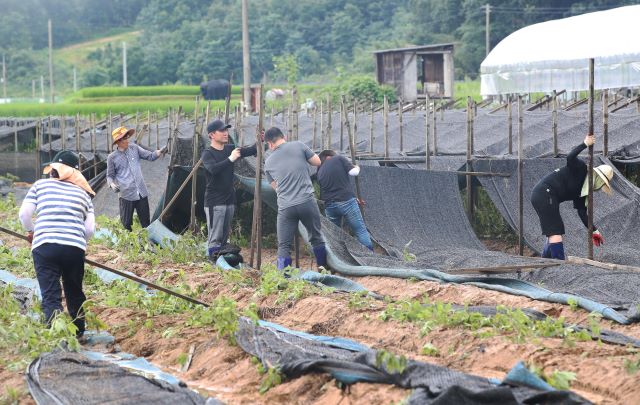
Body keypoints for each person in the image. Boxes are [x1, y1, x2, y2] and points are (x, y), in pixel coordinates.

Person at [19, 150, 95, 337]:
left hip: (45, 246)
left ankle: (56, 333)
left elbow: (24, 214)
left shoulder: (40, 185)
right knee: (74, 290)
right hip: (74, 249)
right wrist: (77, 243)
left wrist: (32, 232)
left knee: (51, 293)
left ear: (53, 170)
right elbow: (90, 230)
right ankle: (78, 331)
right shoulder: (84, 195)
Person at [530, 135, 614, 259]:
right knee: (555, 230)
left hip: (546, 196)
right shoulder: (580, 168)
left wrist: (594, 231)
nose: (599, 187)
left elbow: (582, 213)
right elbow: (570, 157)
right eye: (601, 183)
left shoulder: (583, 191)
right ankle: (559, 264)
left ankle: (545, 263)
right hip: (544, 193)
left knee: (554, 230)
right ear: (597, 178)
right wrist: (585, 144)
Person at [263, 127, 327, 270]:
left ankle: (283, 276)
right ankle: (323, 269)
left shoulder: (268, 162)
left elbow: (276, 187)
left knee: (284, 244)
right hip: (306, 202)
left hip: (286, 207)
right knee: (316, 237)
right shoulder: (299, 145)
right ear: (283, 136)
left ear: (270, 144)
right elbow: (317, 162)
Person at [202, 119, 257, 259]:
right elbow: (213, 169)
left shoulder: (230, 149)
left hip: (229, 200)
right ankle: (213, 262)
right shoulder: (207, 153)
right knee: (215, 237)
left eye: (226, 130)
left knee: (224, 238)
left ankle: (223, 263)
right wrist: (230, 159)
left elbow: (251, 150)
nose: (226, 133)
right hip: (215, 202)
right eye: (222, 131)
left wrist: (261, 141)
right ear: (212, 135)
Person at [106, 126, 167, 231]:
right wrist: (112, 184)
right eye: (124, 138)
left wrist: (159, 152)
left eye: (127, 137)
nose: (127, 140)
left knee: (146, 223)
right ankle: (128, 246)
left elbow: (150, 156)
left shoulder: (134, 148)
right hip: (126, 194)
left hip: (141, 192)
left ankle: (146, 245)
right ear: (118, 142)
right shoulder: (112, 157)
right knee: (126, 225)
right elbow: (109, 176)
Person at [317, 149, 373, 250]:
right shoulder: (338, 159)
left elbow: (330, 189)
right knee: (360, 231)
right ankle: (370, 257)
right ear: (329, 156)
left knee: (334, 235)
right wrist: (357, 167)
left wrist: (353, 198)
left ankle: (339, 259)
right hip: (346, 202)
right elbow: (354, 172)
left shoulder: (319, 171)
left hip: (330, 206)